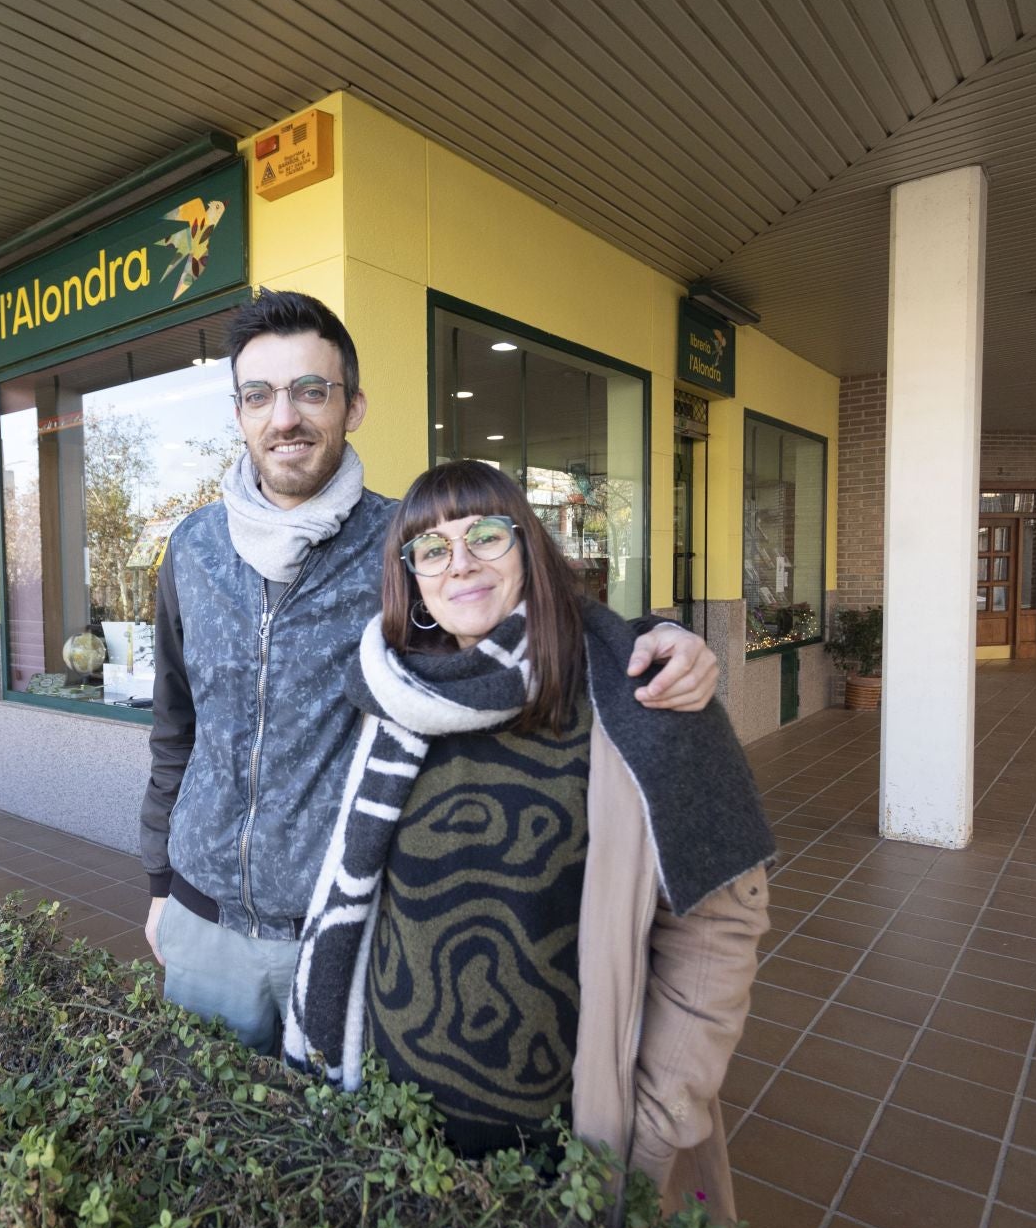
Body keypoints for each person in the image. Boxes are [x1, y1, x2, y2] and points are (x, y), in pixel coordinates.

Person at [139, 289, 722, 1054]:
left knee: (336, 1161)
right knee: (204, 1149)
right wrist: (157, 885)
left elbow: (520, 612)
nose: (286, 417)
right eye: (261, 395)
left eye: (312, 390)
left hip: (349, 932)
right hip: (202, 923)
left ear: (353, 407)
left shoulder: (405, 546)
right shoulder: (192, 549)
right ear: (240, 412)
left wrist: (659, 640)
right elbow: (174, 727)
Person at [285, 459, 774, 1228]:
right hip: (391, 1122)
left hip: (563, 1148)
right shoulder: (398, 693)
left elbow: (717, 931)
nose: (462, 563)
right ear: (410, 579)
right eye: (432, 549)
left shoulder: (637, 689)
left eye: (485, 534)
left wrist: (653, 1124)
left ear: (530, 546)